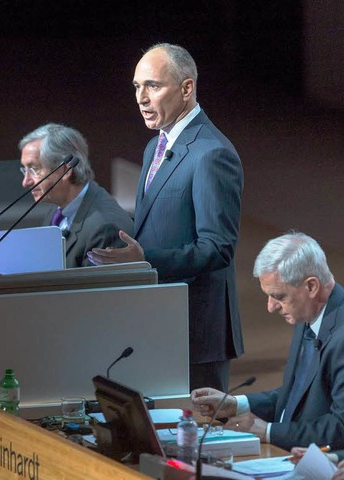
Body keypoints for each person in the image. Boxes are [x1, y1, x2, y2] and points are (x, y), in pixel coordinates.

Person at [86, 43, 243, 390]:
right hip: (156, 320)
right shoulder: (154, 146)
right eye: (137, 87)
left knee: (193, 439)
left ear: (187, 88)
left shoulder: (211, 154)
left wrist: (146, 259)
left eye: (153, 86)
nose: (141, 97)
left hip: (195, 332)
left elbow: (218, 248)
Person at [191, 232, 344, 451]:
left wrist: (267, 431)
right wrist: (236, 405)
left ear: (311, 287)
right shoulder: (309, 311)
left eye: (279, 296)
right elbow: (297, 395)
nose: (270, 307)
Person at [19, 123, 133, 268]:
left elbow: (93, 290)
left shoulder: (104, 227)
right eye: (25, 170)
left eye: (34, 170)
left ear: (65, 170)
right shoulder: (55, 213)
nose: (26, 182)